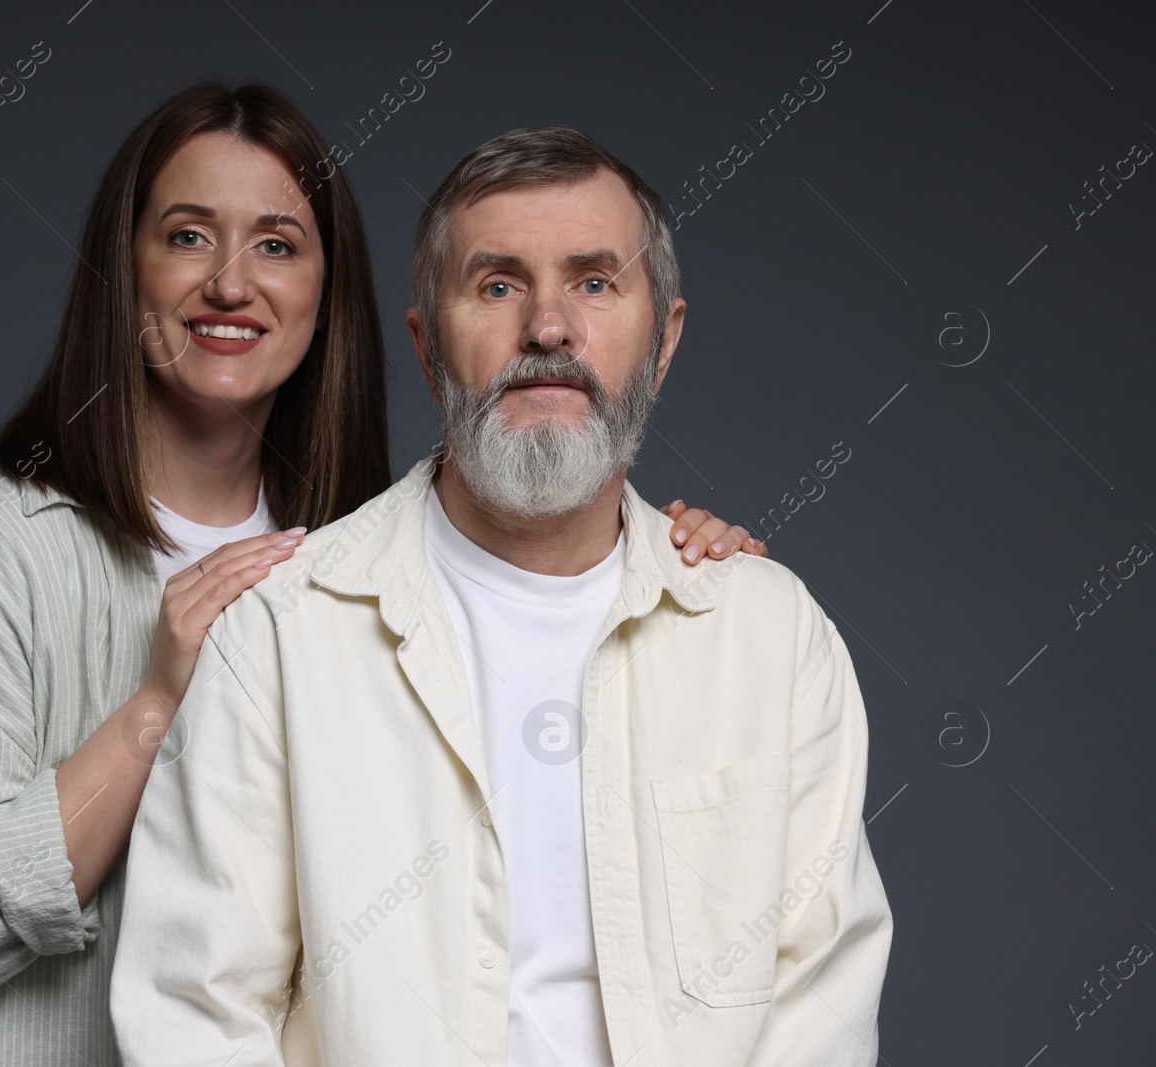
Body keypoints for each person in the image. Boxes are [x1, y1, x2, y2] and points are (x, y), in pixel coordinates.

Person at [0, 86, 763, 1066]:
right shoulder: (5, 545)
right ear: (126, 272)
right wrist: (155, 704)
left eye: (277, 245)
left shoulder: (352, 560)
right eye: (188, 237)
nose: (232, 285)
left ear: (327, 293)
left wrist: (661, 553)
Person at [109, 125, 893, 1067]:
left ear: (666, 339)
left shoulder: (770, 636)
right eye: (498, 285)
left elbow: (822, 1000)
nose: (549, 328)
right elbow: (192, 1009)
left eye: (595, 282)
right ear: (429, 346)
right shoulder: (280, 634)